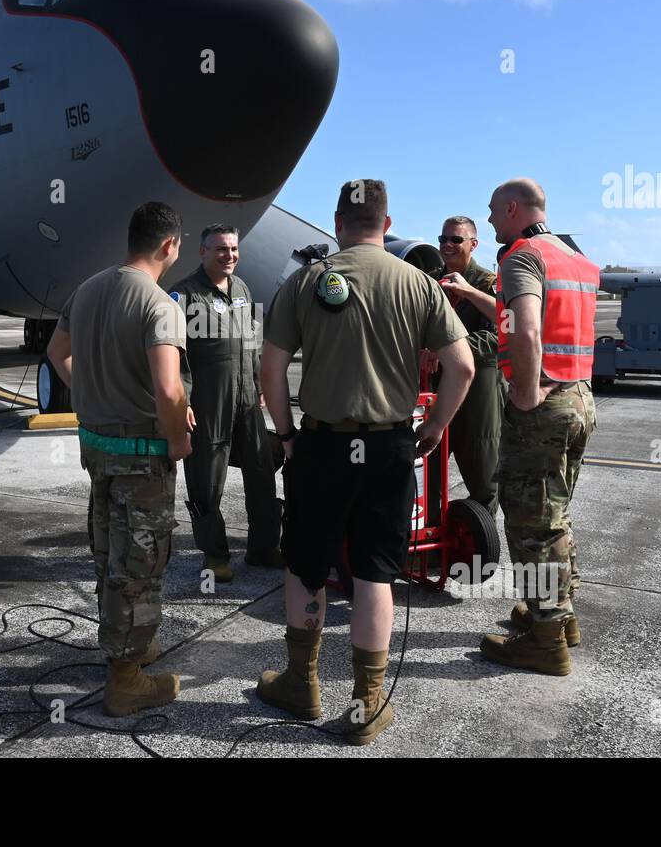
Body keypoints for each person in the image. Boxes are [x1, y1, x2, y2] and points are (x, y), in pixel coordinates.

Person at [256, 179, 475, 745]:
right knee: (377, 572)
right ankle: (367, 702)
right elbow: (464, 367)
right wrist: (432, 428)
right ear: (387, 221)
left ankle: (302, 683)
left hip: (323, 446)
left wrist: (286, 437)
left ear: (336, 221)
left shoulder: (306, 280)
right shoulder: (419, 284)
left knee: (306, 564)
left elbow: (271, 369)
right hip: (389, 447)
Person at [441, 178, 599, 676]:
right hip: (580, 397)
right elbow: (515, 316)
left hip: (544, 404)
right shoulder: (571, 257)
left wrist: (526, 394)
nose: (488, 221)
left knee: (531, 526)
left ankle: (545, 641)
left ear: (512, 208)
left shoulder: (520, 257)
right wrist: (474, 295)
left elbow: (526, 329)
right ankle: (558, 614)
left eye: (492, 211)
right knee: (556, 515)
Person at [46, 201, 192, 716]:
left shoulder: (87, 291)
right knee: (140, 565)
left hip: (99, 452)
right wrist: (178, 442)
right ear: (169, 245)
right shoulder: (158, 304)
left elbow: (56, 353)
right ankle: (125, 680)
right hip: (142, 459)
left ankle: (131, 645)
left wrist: (89, 389)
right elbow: (169, 389)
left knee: (110, 555)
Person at [170, 224, 283, 584]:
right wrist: (182, 400)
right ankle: (215, 554)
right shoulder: (182, 295)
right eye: (220, 249)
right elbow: (171, 354)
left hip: (247, 400)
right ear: (202, 252)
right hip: (208, 402)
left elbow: (253, 339)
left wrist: (258, 383)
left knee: (262, 472)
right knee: (207, 479)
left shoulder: (243, 289)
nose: (229, 255)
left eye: (233, 249)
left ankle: (264, 548)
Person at [427, 215, 502, 515]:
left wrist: (447, 352)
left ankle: (479, 553)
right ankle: (429, 544)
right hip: (434, 389)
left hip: (478, 394)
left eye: (455, 240)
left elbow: (497, 337)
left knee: (483, 474)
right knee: (426, 471)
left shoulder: (488, 284)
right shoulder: (430, 281)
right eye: (442, 239)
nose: (447, 245)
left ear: (473, 244)